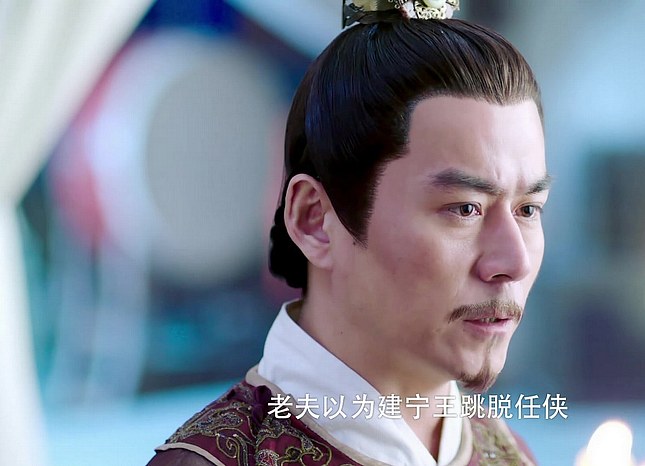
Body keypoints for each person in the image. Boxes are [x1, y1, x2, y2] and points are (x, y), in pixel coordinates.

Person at [148, 1, 549, 464]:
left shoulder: (509, 453)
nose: (514, 261)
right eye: (464, 209)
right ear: (315, 220)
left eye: (528, 209)